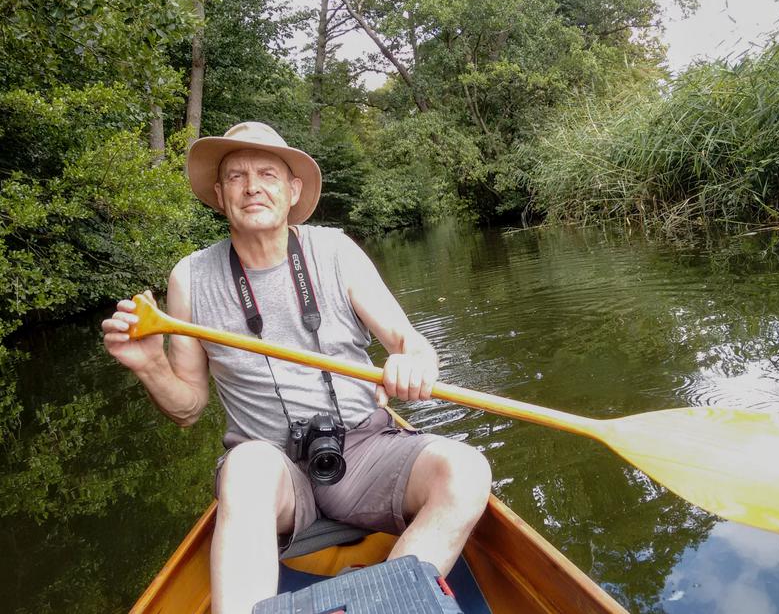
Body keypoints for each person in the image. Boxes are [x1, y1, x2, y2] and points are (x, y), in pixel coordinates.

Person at [102, 122, 492, 614]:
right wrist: (151, 364)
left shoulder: (334, 251)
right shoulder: (190, 277)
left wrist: (414, 361)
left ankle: (388, 604)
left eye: (268, 173)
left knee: (466, 470)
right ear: (220, 195)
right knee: (244, 469)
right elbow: (189, 408)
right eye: (237, 176)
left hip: (365, 447)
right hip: (272, 469)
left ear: (293, 190)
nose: (252, 187)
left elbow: (408, 340)